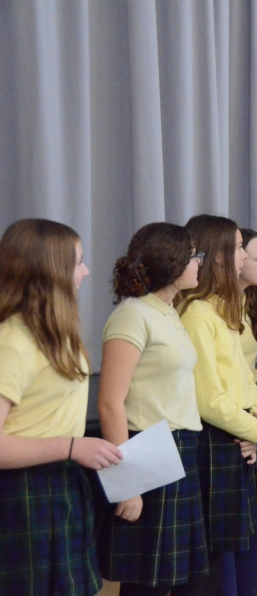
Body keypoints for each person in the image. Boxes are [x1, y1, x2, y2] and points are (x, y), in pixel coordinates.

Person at [0, 218, 122, 595]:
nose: (86, 271)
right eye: (79, 261)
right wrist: (71, 446)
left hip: (60, 484)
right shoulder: (13, 341)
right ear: (51, 270)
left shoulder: (54, 334)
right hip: (23, 492)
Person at [96, 222, 209, 595]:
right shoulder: (133, 314)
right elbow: (111, 403)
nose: (199, 263)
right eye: (195, 256)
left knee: (179, 580)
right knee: (149, 584)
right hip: (150, 451)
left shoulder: (167, 310)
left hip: (181, 450)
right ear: (173, 261)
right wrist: (127, 483)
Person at [179, 215, 257, 596]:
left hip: (238, 440)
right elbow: (209, 398)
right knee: (220, 561)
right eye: (237, 248)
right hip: (218, 442)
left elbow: (243, 379)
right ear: (217, 258)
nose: (242, 256)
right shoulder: (197, 312)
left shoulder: (222, 307)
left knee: (244, 546)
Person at [221, 228, 257, 596]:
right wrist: (250, 428)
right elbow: (215, 383)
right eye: (256, 258)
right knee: (228, 536)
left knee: (250, 529)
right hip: (224, 424)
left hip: (248, 417)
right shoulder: (211, 308)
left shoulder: (251, 302)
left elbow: (249, 373)